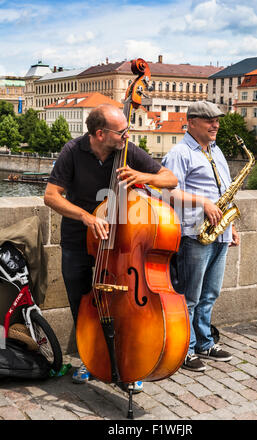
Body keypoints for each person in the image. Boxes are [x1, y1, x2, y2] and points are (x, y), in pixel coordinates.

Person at [44, 103, 178, 386]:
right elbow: (51, 196)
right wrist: (86, 218)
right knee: (83, 304)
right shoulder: (72, 151)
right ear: (100, 134)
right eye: (121, 132)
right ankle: (89, 359)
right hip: (80, 239)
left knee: (123, 304)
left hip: (121, 244)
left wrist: (145, 177)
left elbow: (170, 179)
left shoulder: (127, 150)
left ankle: (129, 362)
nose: (126, 136)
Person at [162, 101, 240, 373]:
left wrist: (230, 226)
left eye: (217, 120)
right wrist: (203, 203)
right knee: (189, 296)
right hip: (194, 234)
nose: (215, 124)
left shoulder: (216, 151)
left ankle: (205, 342)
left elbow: (224, 192)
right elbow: (168, 193)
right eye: (208, 120)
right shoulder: (179, 153)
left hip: (219, 233)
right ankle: (186, 347)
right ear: (191, 121)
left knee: (210, 294)